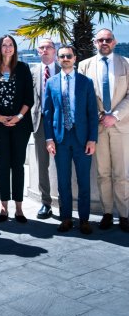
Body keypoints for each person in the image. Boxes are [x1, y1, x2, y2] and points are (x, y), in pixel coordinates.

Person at [78, 28, 129, 232]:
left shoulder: (126, 63)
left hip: (121, 126)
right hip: (97, 127)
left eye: (108, 39)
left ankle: (124, 215)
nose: (104, 43)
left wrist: (115, 115)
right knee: (103, 173)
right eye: (100, 40)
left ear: (114, 42)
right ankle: (107, 213)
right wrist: (101, 115)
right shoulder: (84, 66)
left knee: (122, 174)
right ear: (95, 43)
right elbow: (82, 96)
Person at [44, 45, 98, 234]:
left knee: (84, 180)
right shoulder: (51, 83)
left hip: (82, 138)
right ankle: (66, 218)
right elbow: (48, 113)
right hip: (60, 139)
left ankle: (84, 220)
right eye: (62, 56)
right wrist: (49, 139)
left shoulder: (86, 82)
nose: (65, 59)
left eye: (68, 56)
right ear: (58, 59)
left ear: (75, 58)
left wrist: (92, 139)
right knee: (63, 181)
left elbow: (92, 113)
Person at [0, 35, 34, 223]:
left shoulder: (23, 68)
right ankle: (4, 207)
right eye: (4, 45)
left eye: (11, 45)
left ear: (15, 48)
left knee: (18, 166)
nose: (7, 48)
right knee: (3, 165)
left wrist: (18, 117)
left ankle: (19, 208)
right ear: (0, 48)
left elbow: (29, 98)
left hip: (20, 124)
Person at [30, 38, 60, 219]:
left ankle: (64, 202)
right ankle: (45, 203)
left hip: (61, 123)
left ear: (55, 50)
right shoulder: (32, 72)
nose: (45, 49)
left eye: (49, 47)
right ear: (38, 51)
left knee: (63, 163)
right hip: (40, 123)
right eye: (42, 47)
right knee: (42, 165)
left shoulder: (64, 69)